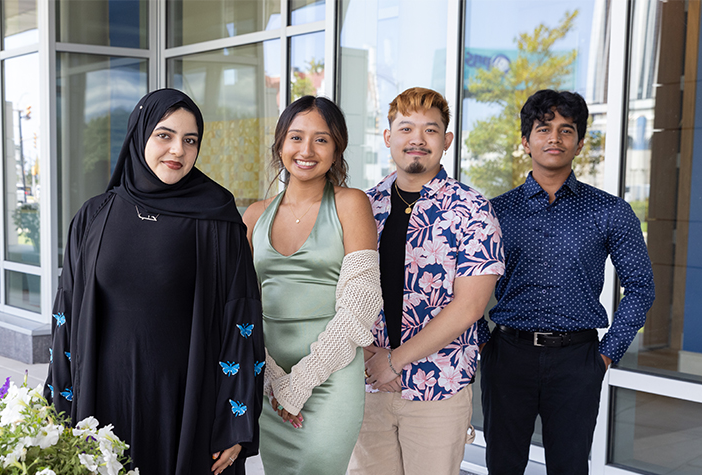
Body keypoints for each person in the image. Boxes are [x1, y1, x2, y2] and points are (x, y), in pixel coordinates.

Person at [44, 88, 265, 475]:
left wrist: (236, 421)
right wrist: (60, 405)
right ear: (140, 134)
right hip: (103, 394)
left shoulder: (217, 216)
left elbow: (241, 318)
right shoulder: (94, 216)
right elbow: (66, 314)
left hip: (188, 402)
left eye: (190, 140)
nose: (177, 150)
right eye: (164, 135)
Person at [482, 89, 655, 474]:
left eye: (566, 130)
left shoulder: (610, 211)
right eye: (544, 129)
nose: (555, 139)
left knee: (570, 466)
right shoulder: (493, 212)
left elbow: (641, 287)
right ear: (526, 141)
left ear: (579, 143)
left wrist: (606, 355)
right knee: (503, 465)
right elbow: (462, 282)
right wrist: (484, 344)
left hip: (577, 360)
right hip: (508, 356)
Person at [349, 87, 504, 475]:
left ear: (446, 141)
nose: (417, 139)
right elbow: (342, 288)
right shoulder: (362, 206)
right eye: (405, 128)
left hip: (439, 388)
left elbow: (469, 307)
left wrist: (394, 362)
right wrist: (372, 358)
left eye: (430, 130)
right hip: (367, 386)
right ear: (388, 138)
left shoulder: (471, 209)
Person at [242, 96, 382, 474]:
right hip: (270, 377)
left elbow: (362, 303)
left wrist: (301, 383)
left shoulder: (351, 204)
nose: (306, 150)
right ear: (280, 145)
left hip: (330, 380)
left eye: (321, 139)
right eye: (296, 137)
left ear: (337, 149)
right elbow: (241, 306)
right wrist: (274, 380)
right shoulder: (254, 215)